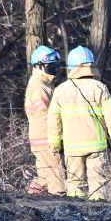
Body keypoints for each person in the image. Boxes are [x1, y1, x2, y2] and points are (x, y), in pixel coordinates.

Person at [47, 46, 111, 200]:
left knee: (75, 184)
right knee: (98, 184)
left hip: (72, 148)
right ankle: (99, 214)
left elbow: (53, 121)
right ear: (92, 65)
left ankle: (76, 214)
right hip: (97, 146)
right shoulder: (100, 88)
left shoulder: (60, 90)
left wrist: (55, 145)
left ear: (71, 67)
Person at [24, 45, 65, 196]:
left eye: (54, 65)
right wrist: (56, 135)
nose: (54, 69)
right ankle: (58, 205)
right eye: (50, 66)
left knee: (46, 176)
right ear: (39, 65)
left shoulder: (45, 84)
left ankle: (32, 196)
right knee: (56, 177)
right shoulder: (38, 85)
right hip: (45, 137)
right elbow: (44, 115)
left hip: (43, 137)